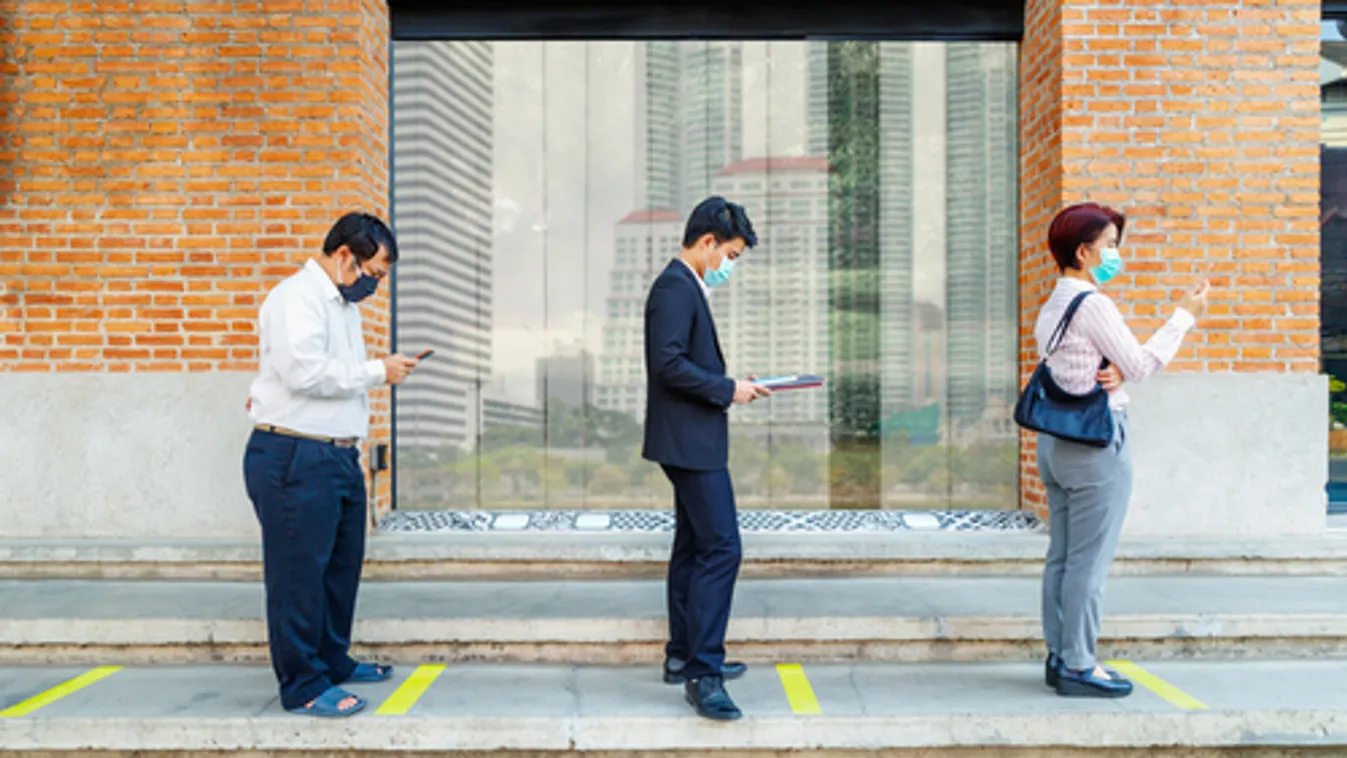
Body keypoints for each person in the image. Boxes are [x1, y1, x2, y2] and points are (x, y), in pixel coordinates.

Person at [243, 212, 420, 718]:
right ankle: (301, 684)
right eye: (373, 273)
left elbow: (331, 376)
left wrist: (375, 370)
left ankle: (330, 660)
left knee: (339, 570)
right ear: (345, 255)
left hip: (337, 454)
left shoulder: (341, 306)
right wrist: (375, 370)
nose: (374, 285)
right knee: (298, 573)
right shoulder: (294, 297)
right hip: (295, 455)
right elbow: (303, 373)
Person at [1035, 203, 1209, 698]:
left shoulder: (1053, 306)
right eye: (1109, 245)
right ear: (1084, 251)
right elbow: (1140, 363)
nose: (1115, 254)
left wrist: (1110, 367)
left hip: (1055, 443)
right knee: (1089, 563)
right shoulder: (1092, 304)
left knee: (1062, 559)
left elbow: (1076, 368)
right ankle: (1080, 665)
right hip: (1095, 445)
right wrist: (1184, 316)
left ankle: (1060, 656)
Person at [642, 196, 769, 721]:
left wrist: (732, 387)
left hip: (690, 440)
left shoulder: (685, 286)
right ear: (708, 242)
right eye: (731, 256)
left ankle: (681, 656)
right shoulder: (675, 288)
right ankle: (703, 672)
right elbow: (668, 364)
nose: (729, 267)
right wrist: (727, 388)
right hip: (690, 444)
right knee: (723, 549)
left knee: (694, 548)